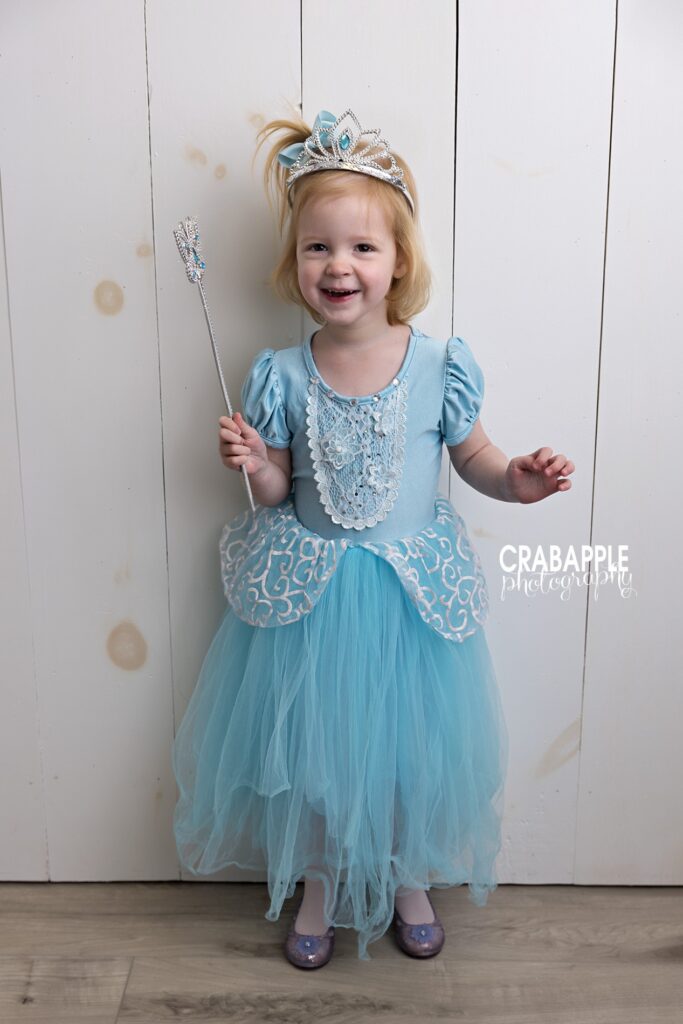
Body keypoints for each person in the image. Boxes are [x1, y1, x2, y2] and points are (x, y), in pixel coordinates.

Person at [171, 108, 574, 968]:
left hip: (405, 602)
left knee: (405, 755)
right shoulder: (283, 372)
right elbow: (279, 490)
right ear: (294, 265)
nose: (338, 266)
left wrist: (516, 480)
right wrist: (251, 459)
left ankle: (404, 875)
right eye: (317, 248)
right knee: (316, 754)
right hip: (317, 596)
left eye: (361, 248)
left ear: (398, 263)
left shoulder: (438, 365)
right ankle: (317, 880)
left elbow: (471, 457)